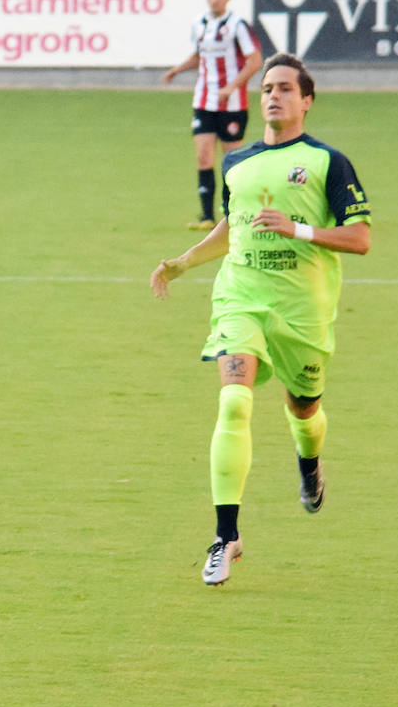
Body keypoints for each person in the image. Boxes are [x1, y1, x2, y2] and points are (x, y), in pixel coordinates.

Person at [150, 53, 372, 586]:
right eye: (267, 87)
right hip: (241, 298)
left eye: (285, 89)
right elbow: (234, 226)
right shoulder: (238, 163)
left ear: (306, 100)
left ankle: (308, 459)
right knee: (233, 399)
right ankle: (227, 537)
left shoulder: (327, 162)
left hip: (302, 311)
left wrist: (298, 230)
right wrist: (181, 264)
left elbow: (360, 238)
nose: (272, 95)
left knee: (304, 410)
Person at [163, 0, 263, 232]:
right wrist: (177, 69)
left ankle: (233, 213)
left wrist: (231, 86)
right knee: (203, 156)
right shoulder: (199, 24)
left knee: (232, 161)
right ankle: (206, 216)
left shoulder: (238, 25)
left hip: (233, 104)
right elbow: (199, 56)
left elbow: (255, 61)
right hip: (204, 101)